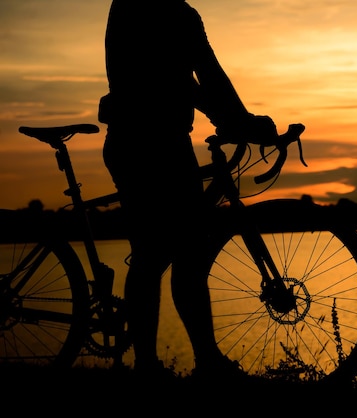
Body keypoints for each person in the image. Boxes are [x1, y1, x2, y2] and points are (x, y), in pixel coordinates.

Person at [99, 0, 277, 377]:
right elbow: (200, 75)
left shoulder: (134, 6)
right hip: (153, 143)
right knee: (170, 256)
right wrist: (240, 120)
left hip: (140, 140)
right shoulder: (168, 13)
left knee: (168, 254)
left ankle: (170, 363)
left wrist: (229, 116)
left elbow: (185, 80)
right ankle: (179, 364)